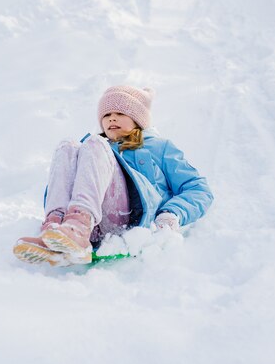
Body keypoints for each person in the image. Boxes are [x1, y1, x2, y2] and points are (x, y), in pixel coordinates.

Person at [13, 85, 213, 266]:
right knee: (68, 146)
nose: (112, 118)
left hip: (129, 218)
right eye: (106, 115)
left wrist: (171, 213)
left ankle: (79, 229)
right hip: (92, 219)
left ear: (138, 119)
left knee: (93, 143)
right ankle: (54, 227)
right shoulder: (92, 148)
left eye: (120, 113)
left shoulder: (159, 147)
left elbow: (198, 189)